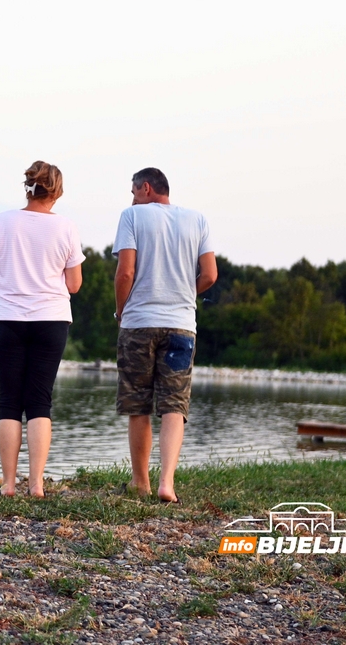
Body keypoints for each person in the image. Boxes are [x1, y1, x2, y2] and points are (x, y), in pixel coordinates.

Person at [0, 161, 85, 498]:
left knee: (9, 401)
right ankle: (36, 485)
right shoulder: (66, 228)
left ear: (28, 187)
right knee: (40, 401)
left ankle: (8, 485)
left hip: (7, 318)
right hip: (51, 319)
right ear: (57, 191)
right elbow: (75, 284)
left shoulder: (1, 222)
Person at [113, 167, 217, 503]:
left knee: (138, 403)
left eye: (133, 191)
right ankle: (166, 483)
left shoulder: (133, 216)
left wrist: (120, 310)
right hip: (182, 325)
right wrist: (187, 292)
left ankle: (140, 482)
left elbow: (125, 271)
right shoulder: (197, 219)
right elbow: (211, 275)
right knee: (175, 405)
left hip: (139, 322)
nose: (131, 198)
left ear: (145, 188)